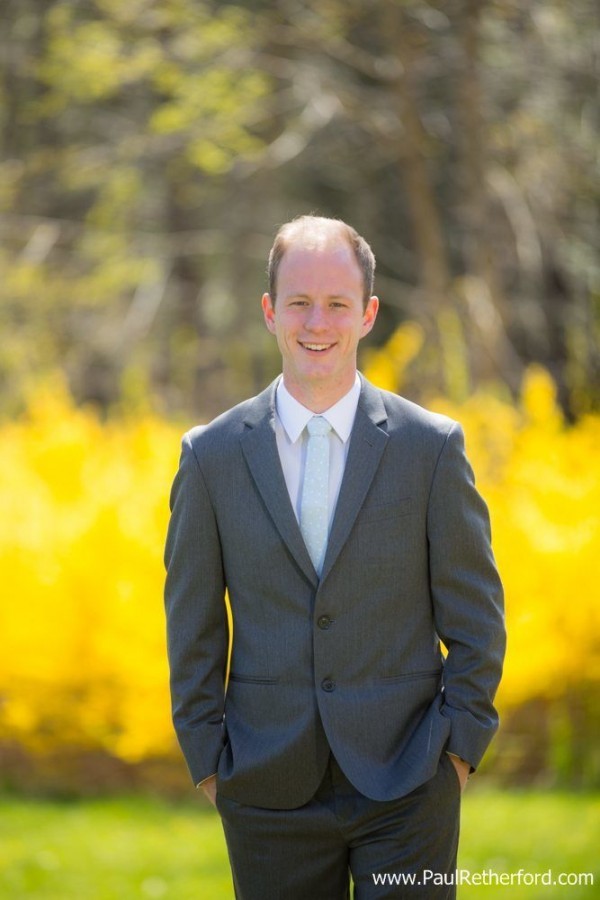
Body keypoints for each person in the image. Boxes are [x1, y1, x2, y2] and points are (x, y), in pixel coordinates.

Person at [164, 215, 505, 899]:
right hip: (266, 787)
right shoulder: (212, 456)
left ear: (368, 314)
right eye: (299, 302)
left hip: (410, 782)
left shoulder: (431, 448)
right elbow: (192, 623)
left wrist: (458, 753)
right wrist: (209, 761)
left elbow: (477, 617)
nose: (317, 322)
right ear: (269, 311)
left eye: (337, 303)